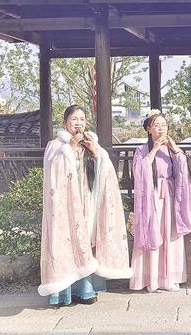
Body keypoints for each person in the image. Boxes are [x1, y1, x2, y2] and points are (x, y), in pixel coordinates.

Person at [39, 105, 132, 306]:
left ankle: (86, 289)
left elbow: (106, 170)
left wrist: (96, 152)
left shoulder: (90, 143)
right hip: (66, 206)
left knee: (86, 242)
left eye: (82, 119)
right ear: (65, 122)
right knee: (67, 242)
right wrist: (69, 150)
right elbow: (53, 174)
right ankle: (62, 292)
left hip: (86, 201)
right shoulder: (56, 145)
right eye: (74, 119)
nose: (78, 123)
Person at [129, 110, 191, 292]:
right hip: (152, 196)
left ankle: (170, 277)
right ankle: (151, 279)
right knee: (153, 232)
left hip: (170, 196)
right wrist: (154, 150)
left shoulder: (171, 149)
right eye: (156, 125)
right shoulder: (142, 150)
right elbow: (139, 171)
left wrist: (176, 150)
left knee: (170, 234)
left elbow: (185, 171)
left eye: (164, 125)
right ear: (148, 128)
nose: (161, 128)